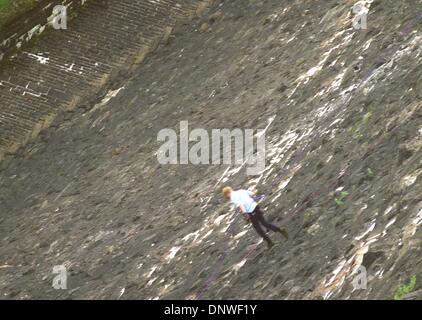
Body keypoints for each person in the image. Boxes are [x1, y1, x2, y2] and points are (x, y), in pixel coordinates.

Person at [223, 187, 288, 249]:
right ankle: (280, 230)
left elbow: (241, 205)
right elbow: (253, 194)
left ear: (227, 193)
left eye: (226, 196)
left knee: (258, 228)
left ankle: (270, 242)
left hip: (250, 211)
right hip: (255, 206)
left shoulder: (233, 197)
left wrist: (245, 214)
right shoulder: (241, 191)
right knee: (264, 223)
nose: (228, 197)